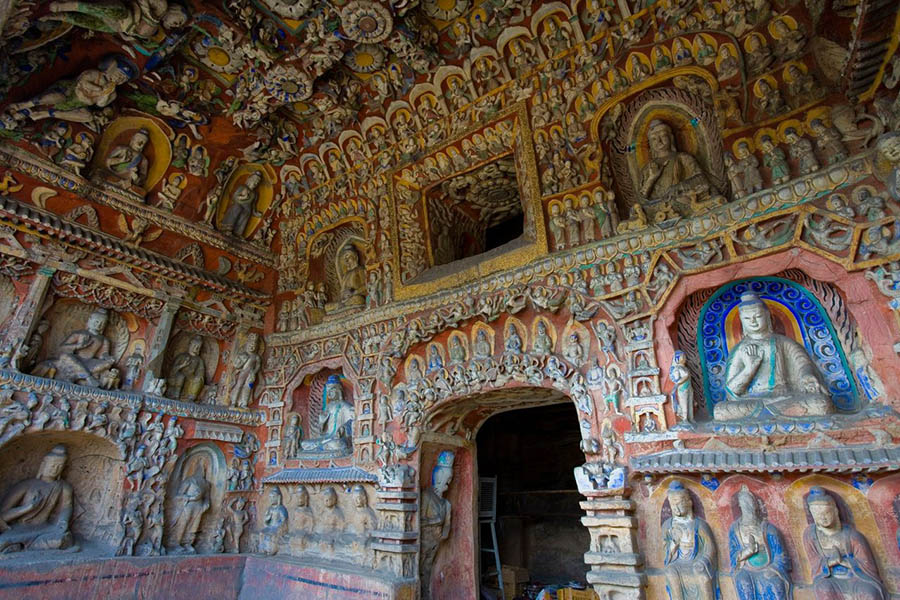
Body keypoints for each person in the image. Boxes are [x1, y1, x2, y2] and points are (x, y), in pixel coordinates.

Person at [717, 292, 834, 420]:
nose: (753, 322)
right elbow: (731, 391)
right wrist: (749, 369)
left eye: (758, 316)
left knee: (821, 404)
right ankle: (779, 414)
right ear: (741, 321)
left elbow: (803, 364)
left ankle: (766, 416)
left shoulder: (784, 342)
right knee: (721, 411)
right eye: (747, 318)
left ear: (767, 316)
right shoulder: (740, 350)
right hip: (753, 401)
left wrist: (807, 376)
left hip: (785, 398)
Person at [803, 487, 885, 600]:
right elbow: (814, 562)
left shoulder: (852, 535)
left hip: (857, 578)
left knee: (869, 594)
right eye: (817, 514)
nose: (822, 517)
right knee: (823, 589)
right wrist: (830, 562)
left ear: (835, 511)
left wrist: (844, 562)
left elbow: (868, 565)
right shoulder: (810, 535)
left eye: (826, 513)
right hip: (831, 578)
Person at [0, 445, 76, 553]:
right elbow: (3, 516)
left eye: (59, 466)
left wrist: (63, 522)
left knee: (61, 539)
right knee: (2, 542)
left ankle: (20, 546)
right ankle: (24, 545)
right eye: (52, 465)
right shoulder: (26, 485)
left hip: (45, 528)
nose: (55, 469)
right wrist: (27, 508)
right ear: (44, 465)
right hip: (20, 528)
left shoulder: (64, 487)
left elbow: (66, 507)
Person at [662, 481, 718, 600]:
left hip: (697, 562)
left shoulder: (699, 525)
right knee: (670, 571)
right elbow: (665, 551)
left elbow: (710, 547)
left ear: (689, 503)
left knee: (701, 575)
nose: (676, 508)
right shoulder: (668, 526)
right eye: (673, 505)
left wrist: (703, 560)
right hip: (678, 562)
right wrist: (672, 548)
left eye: (679, 503)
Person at [33, 308, 116, 387]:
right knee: (65, 356)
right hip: (76, 359)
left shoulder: (104, 340)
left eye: (102, 323)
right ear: (90, 320)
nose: (99, 324)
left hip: (89, 362)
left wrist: (108, 358)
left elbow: (103, 354)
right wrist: (78, 346)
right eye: (97, 321)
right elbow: (63, 348)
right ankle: (87, 377)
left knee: (107, 364)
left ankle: (81, 375)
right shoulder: (80, 333)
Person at [639, 120, 711, 203]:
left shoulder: (683, 158)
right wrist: (651, 179)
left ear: (670, 138)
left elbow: (701, 179)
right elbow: (641, 199)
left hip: (680, 202)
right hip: (658, 206)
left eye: (663, 136)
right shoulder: (647, 169)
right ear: (650, 144)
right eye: (654, 139)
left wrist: (678, 187)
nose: (659, 141)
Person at [167, 336, 206, 402]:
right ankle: (176, 395)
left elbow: (200, 371)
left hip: (191, 377)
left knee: (198, 380)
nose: (196, 348)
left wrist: (198, 377)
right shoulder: (182, 356)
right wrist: (182, 365)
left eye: (198, 347)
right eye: (194, 346)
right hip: (179, 376)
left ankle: (190, 398)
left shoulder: (199, 360)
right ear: (190, 345)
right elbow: (173, 369)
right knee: (180, 376)